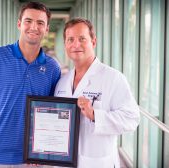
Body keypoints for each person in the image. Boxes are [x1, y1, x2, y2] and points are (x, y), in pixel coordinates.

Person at [0, 2, 61, 167]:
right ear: (19, 24)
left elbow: (53, 112)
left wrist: (44, 153)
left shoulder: (52, 68)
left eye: (40, 23)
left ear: (46, 29)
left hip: (30, 160)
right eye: (28, 21)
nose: (34, 27)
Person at [54, 18, 140, 167]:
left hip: (97, 162)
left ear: (93, 42)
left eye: (82, 39)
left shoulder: (113, 78)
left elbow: (132, 118)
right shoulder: (62, 82)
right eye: (70, 39)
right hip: (64, 162)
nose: (76, 44)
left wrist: (94, 115)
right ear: (65, 45)